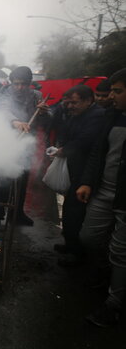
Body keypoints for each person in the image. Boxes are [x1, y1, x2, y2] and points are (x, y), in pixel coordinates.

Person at [76, 68, 126, 327]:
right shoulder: (112, 117)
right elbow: (98, 151)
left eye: (118, 91)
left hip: (125, 199)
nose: (111, 96)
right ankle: (109, 273)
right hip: (104, 191)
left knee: (121, 251)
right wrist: (87, 181)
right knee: (89, 237)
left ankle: (114, 305)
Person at [49, 85, 105, 267]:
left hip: (84, 172)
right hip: (74, 169)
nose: (70, 106)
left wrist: (63, 150)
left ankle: (76, 253)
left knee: (76, 213)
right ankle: (70, 244)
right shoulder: (76, 115)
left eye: (75, 102)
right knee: (69, 210)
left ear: (89, 100)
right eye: (68, 102)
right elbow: (65, 133)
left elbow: (84, 140)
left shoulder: (97, 116)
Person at [0, 66, 51, 226]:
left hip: (27, 141)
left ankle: (17, 213)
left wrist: (43, 112)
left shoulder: (37, 96)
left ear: (29, 84)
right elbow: (3, 110)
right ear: (11, 83)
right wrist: (15, 122)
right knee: (4, 177)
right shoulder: (4, 93)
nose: (19, 88)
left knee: (22, 178)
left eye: (23, 84)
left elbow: (47, 120)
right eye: (16, 84)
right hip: (6, 140)